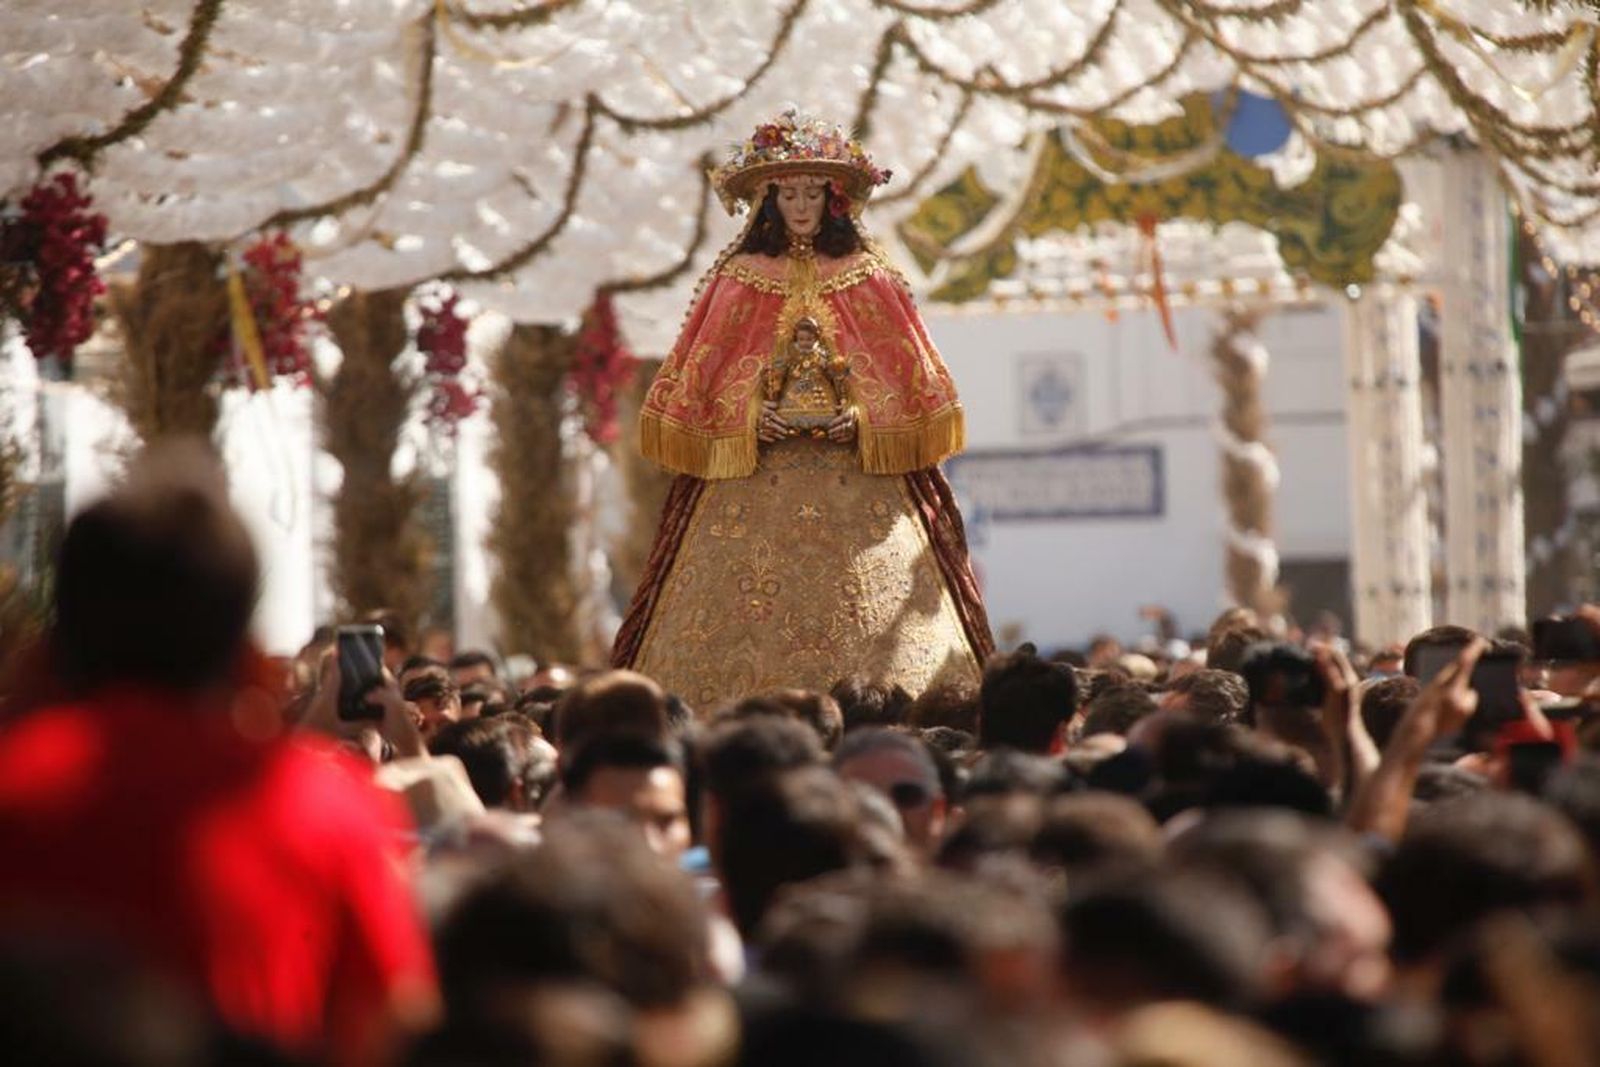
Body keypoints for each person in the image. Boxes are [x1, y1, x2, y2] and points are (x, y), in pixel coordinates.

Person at [0, 441, 435, 1065]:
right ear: (252, 661)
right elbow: (389, 1027)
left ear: (44, 650)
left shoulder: (16, 784)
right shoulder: (327, 810)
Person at [611, 108, 994, 709]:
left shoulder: (870, 277)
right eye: (787, 193)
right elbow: (694, 382)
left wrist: (866, 420)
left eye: (812, 192)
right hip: (752, 483)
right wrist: (743, 419)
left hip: (862, 484)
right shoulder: (738, 278)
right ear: (767, 199)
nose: (800, 206)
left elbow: (915, 380)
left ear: (832, 199)